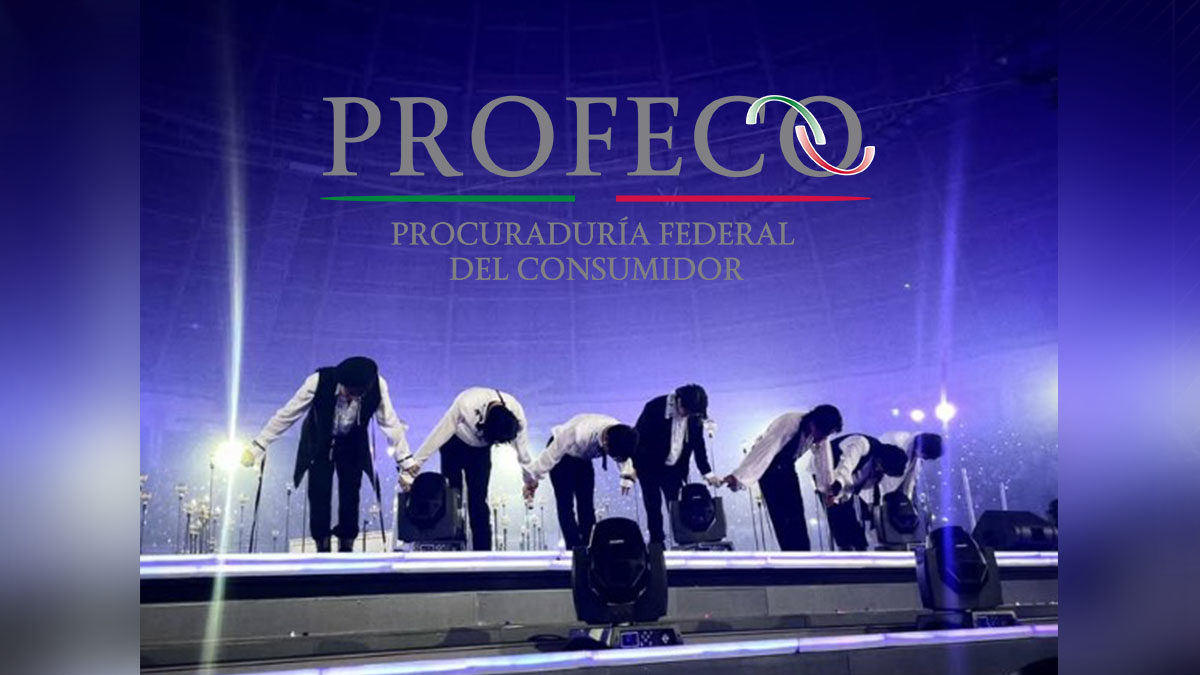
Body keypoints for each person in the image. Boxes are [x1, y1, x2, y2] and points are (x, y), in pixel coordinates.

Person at [241, 356, 412, 552]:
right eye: (348, 392)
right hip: (319, 442)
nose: (351, 398)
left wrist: (406, 461)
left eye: (357, 395)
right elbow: (287, 415)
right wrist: (257, 447)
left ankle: (347, 543)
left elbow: (390, 423)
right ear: (341, 383)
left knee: (351, 492)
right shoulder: (317, 381)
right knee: (318, 491)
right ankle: (321, 542)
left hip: (353, 444)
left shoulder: (378, 386)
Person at [407, 387, 534, 551]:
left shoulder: (516, 413)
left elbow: (522, 452)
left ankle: (483, 551)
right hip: (454, 442)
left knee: (478, 500)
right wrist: (414, 464)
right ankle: (451, 545)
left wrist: (530, 480)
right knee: (453, 497)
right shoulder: (466, 403)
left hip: (480, 453)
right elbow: (439, 433)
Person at [722, 405, 844, 551]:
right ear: (814, 423)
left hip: (787, 468)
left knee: (797, 515)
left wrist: (829, 490)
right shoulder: (788, 423)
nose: (823, 438)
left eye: (827, 435)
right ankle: (789, 555)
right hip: (769, 471)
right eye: (823, 433)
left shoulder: (820, 435)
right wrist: (739, 477)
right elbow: (764, 451)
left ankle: (802, 555)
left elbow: (824, 462)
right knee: (781, 519)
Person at [524, 414, 640, 548]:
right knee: (565, 504)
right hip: (562, 455)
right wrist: (532, 479)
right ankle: (574, 547)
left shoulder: (620, 433)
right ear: (605, 441)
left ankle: (591, 545)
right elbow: (550, 456)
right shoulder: (576, 433)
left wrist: (627, 476)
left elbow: (625, 456)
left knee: (587, 505)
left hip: (583, 457)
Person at [633, 384, 719, 545]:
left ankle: (684, 539)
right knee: (653, 506)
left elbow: (698, 445)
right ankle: (657, 543)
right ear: (678, 400)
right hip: (649, 466)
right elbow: (637, 437)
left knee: (676, 506)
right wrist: (633, 467)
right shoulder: (654, 407)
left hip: (674, 469)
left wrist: (707, 473)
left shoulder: (695, 416)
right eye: (685, 410)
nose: (687, 414)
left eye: (691, 413)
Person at [822, 433, 910, 550]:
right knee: (841, 525)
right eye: (883, 469)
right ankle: (847, 551)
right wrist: (835, 488)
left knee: (856, 535)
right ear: (880, 460)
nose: (880, 471)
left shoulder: (876, 471)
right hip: (827, 479)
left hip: (845, 491)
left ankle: (858, 549)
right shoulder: (861, 443)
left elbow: (858, 485)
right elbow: (845, 466)